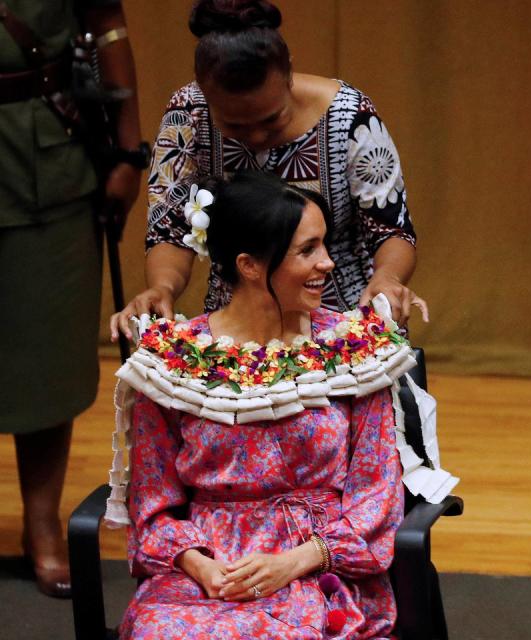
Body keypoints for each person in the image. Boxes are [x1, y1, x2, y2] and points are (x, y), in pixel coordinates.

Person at [113, 171, 405, 638]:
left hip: (317, 565)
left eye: (324, 245)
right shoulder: (174, 363)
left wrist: (294, 562)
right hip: (206, 574)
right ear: (250, 265)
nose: (328, 263)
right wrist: (202, 567)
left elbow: (378, 494)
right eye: (308, 250)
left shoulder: (354, 352)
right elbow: (153, 500)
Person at [110, 0, 425, 343]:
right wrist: (162, 286)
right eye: (233, 125)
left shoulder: (349, 117)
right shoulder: (188, 116)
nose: (257, 138)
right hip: (236, 333)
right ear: (203, 92)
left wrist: (388, 279)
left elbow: (392, 229)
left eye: (271, 119)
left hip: (346, 324)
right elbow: (170, 232)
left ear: (288, 71)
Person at [0, 0, 144, 597]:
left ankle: (42, 527)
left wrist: (131, 153)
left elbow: (107, 26)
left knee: (47, 359)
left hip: (45, 166)